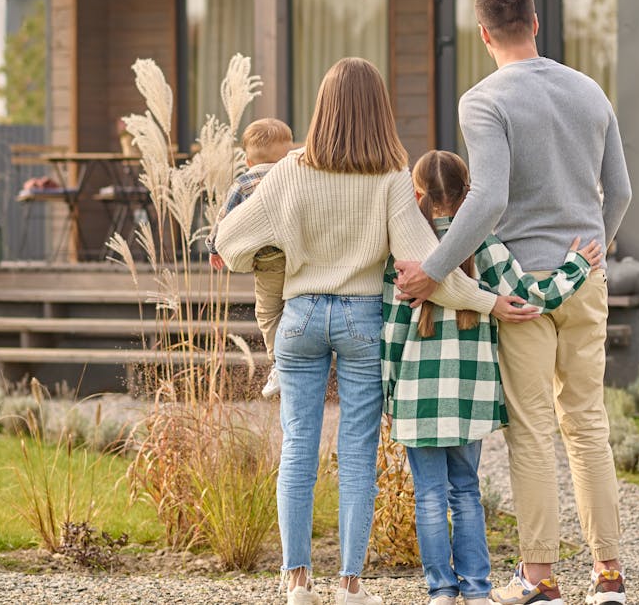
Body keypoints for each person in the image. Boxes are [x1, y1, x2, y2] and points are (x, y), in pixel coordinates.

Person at [214, 58, 537, 605]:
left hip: (299, 317)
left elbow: (227, 241)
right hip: (362, 321)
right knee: (357, 453)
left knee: (297, 447)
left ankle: (296, 583)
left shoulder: (289, 170)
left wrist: (277, 258)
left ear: (323, 109)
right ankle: (349, 586)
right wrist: (489, 302)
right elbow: (429, 270)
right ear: (379, 112)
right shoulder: (390, 180)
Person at [394, 0, 633, 605]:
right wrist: (594, 252)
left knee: (532, 432)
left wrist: (435, 267)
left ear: (482, 34)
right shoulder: (589, 90)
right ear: (534, 21)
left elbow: (490, 197)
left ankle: (540, 577)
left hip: (519, 292)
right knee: (587, 426)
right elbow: (623, 191)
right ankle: (608, 577)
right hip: (584, 277)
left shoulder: (483, 100)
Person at [382, 150, 601, 605]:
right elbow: (531, 297)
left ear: (416, 194)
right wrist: (578, 264)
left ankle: (441, 590)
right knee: (465, 490)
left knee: (427, 496)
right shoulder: (483, 243)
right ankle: (478, 589)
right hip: (472, 394)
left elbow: (390, 330)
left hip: (417, 398)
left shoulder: (404, 250)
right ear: (471, 195)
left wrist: (391, 396)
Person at [206, 117, 294, 399]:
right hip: (300, 256)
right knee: (295, 307)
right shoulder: (294, 176)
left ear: (247, 160)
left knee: (268, 312)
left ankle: (280, 362)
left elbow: (224, 220)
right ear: (288, 153)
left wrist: (213, 247)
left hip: (268, 262)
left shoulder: (244, 183)